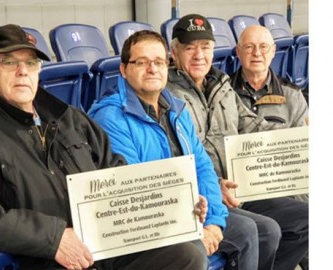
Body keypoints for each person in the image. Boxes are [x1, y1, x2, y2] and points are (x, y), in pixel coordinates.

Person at [0, 24, 210, 270]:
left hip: (102, 247)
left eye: (30, 63)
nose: (22, 72)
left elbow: (117, 174)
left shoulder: (68, 118)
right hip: (41, 258)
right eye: (8, 62)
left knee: (185, 256)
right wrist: (53, 238)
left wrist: (172, 202)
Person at [87, 29, 260, 270]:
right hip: (147, 224)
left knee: (257, 231)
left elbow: (202, 166)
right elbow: (138, 191)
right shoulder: (111, 118)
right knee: (195, 251)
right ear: (124, 70)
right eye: (142, 62)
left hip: (190, 209)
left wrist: (212, 222)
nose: (152, 69)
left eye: (158, 62)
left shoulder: (176, 109)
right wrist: (192, 221)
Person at [166, 14, 309, 270]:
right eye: (190, 48)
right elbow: (174, 157)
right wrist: (213, 184)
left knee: (308, 216)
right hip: (206, 195)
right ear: (174, 53)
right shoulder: (167, 96)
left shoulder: (221, 85)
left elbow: (251, 123)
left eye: (205, 47)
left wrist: (299, 142)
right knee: (266, 230)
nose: (199, 55)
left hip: (239, 187)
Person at [230, 24, 310, 269]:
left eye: (263, 47)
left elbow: (303, 156)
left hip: (282, 188)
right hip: (240, 191)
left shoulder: (293, 96)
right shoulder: (223, 93)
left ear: (274, 51)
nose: (257, 53)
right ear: (237, 52)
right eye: (249, 47)